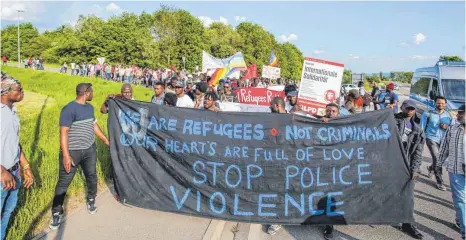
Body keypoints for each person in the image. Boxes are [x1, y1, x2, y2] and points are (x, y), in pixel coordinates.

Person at [50, 83, 110, 230]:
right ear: (86, 92)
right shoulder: (69, 109)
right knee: (64, 182)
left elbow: (93, 125)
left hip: (89, 150)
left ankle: (91, 199)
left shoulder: (89, 108)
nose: (93, 93)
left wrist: (105, 140)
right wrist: (66, 155)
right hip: (72, 152)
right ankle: (56, 212)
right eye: (92, 91)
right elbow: (63, 132)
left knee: (91, 176)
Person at [1, 76, 34, 240]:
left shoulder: (12, 112)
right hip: (2, 177)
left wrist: (26, 166)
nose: (22, 92)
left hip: (14, 172)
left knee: (7, 211)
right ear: (6, 92)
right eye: (19, 89)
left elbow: (15, 143)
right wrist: (2, 171)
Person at [394, 100, 425, 239]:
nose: (410, 110)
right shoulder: (391, 120)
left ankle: (407, 223)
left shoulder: (418, 129)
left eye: (412, 109)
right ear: (402, 108)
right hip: (388, 163)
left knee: (408, 195)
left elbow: (418, 152)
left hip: (406, 166)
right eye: (407, 108)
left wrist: (415, 169)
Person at [436, 104, 465, 239]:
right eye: (459, 112)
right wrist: (438, 163)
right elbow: (444, 147)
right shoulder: (453, 129)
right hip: (456, 169)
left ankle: (460, 219)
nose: (458, 115)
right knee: (460, 200)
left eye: (462, 113)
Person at [420, 96, 454, 190]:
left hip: (445, 140)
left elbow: (453, 128)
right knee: (437, 158)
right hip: (431, 138)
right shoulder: (428, 113)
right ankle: (439, 182)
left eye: (442, 103)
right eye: (438, 103)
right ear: (435, 103)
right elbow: (421, 127)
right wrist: (421, 138)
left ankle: (431, 168)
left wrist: (446, 127)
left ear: (445, 104)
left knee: (439, 160)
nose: (440, 105)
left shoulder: (449, 115)